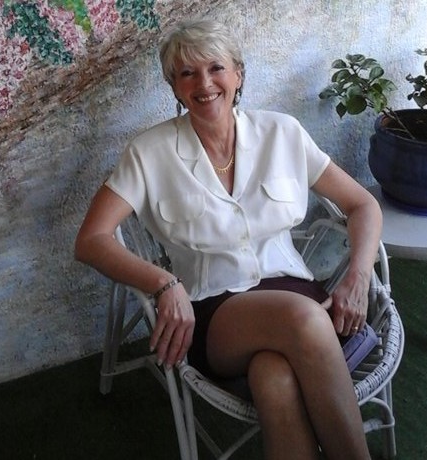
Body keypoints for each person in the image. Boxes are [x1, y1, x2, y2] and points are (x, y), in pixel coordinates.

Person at [75, 18, 382, 460]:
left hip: (295, 291)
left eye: (216, 68)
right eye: (187, 73)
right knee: (303, 320)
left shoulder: (282, 133)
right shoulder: (149, 152)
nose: (204, 84)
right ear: (174, 86)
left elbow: (363, 205)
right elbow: (91, 239)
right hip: (214, 310)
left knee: (274, 377)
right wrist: (164, 282)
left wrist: (358, 274)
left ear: (238, 74)